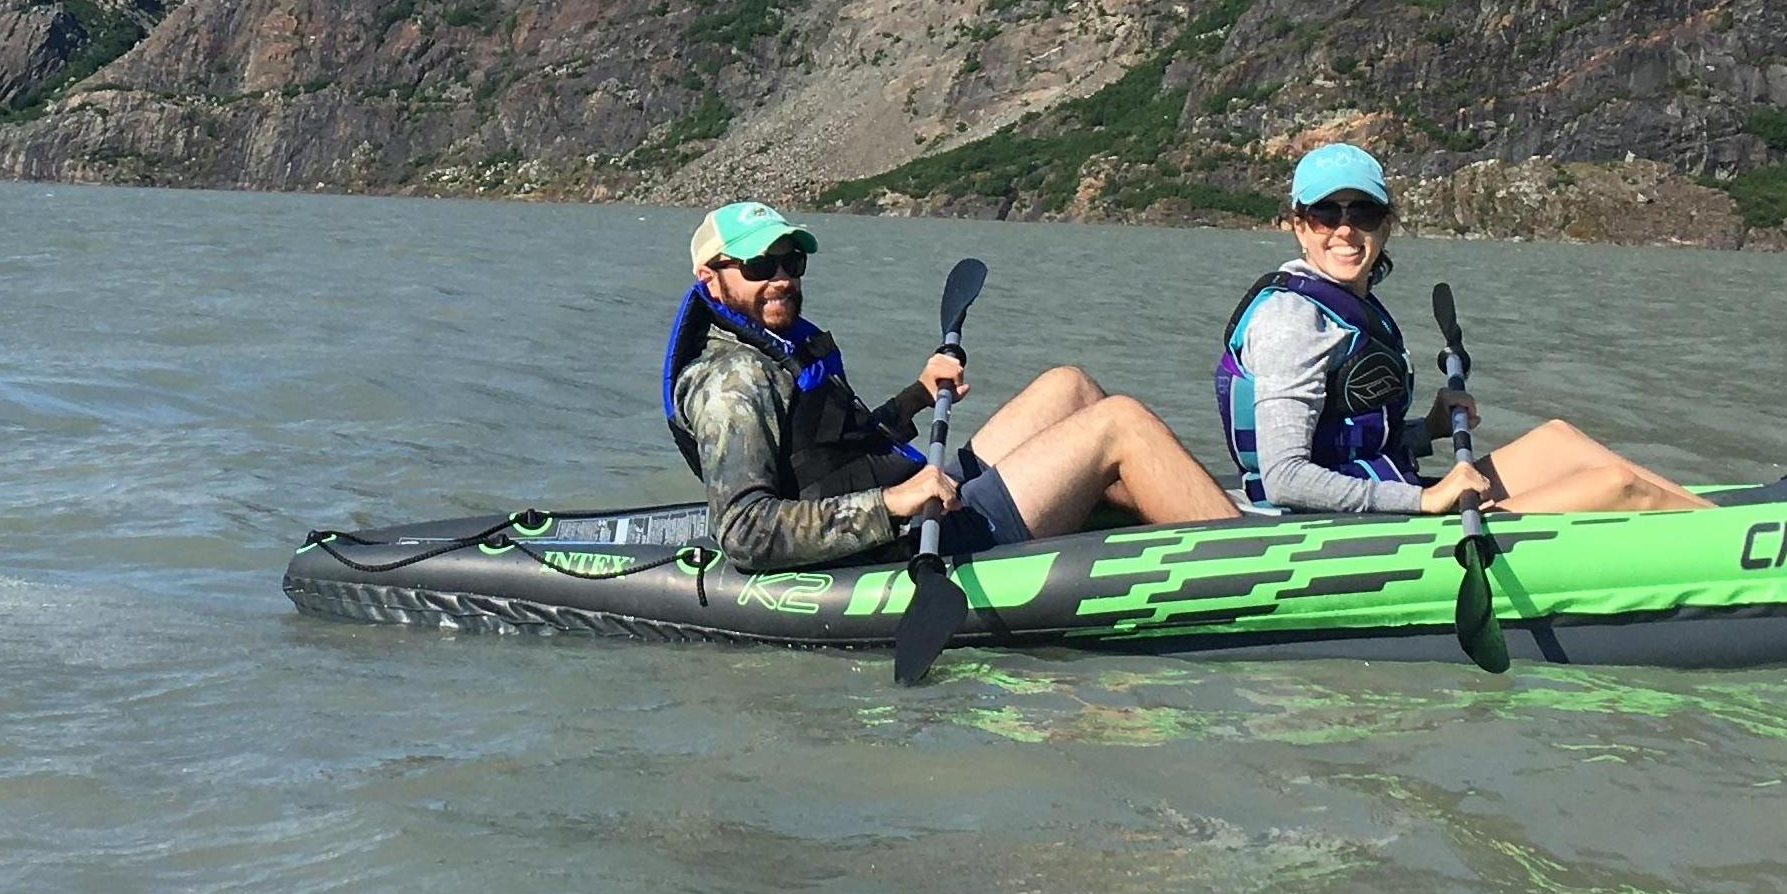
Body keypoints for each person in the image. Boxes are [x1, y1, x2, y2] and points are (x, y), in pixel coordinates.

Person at [664, 200, 1238, 573]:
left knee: (1069, 387)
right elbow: (744, 530)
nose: (783, 279)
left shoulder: (774, 347)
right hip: (901, 541)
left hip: (915, 501)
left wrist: (916, 394)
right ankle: (1247, 560)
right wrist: (892, 505)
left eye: (790, 262)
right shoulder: (731, 383)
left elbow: (832, 453)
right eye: (760, 267)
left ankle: (1170, 516)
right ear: (710, 279)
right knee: (1121, 424)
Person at [1218, 144, 1706, 517]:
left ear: (1384, 226)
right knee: (1617, 487)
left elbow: (1347, 441)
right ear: (1300, 226)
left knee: (1559, 439)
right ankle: (1740, 546)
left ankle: (1731, 521)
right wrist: (1425, 500)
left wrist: (1427, 429)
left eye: (1362, 214)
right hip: (1332, 522)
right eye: (1326, 214)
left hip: (1385, 487)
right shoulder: (1291, 321)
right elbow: (1285, 478)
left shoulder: (1352, 302)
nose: (1344, 230)